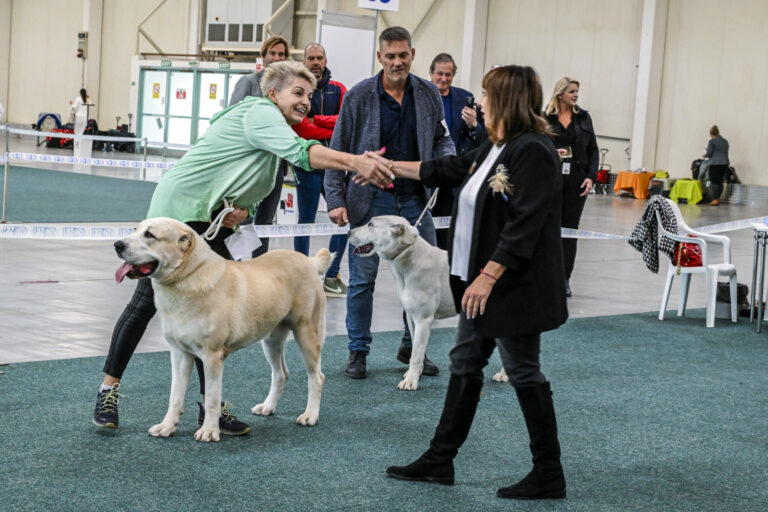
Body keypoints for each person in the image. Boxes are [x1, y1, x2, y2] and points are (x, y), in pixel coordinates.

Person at [93, 61, 394, 433]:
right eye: (298, 93)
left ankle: (210, 408)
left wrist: (242, 210)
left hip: (213, 218)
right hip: (181, 211)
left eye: (310, 95)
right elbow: (303, 153)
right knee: (143, 304)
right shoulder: (260, 113)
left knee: (210, 318)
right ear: (273, 94)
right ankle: (107, 392)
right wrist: (355, 162)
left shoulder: (274, 127)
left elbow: (251, 185)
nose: (306, 101)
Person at [376, 65, 568, 500]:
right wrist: (386, 166)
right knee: (464, 362)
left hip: (511, 288)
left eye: (485, 94)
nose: (477, 102)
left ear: (505, 99)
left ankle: (548, 472)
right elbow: (446, 168)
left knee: (522, 370)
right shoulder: (496, 145)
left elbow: (525, 223)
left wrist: (487, 276)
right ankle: (439, 459)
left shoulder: (534, 150)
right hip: (482, 287)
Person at [324, 26, 456, 380]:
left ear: (413, 54)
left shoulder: (428, 93)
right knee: (362, 280)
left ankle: (412, 348)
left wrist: (446, 163)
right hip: (370, 202)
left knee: (422, 279)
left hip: (417, 201)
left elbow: (441, 138)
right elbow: (337, 151)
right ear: (380, 57)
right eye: (391, 56)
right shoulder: (358, 96)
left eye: (403, 55)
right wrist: (335, 199)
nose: (398, 62)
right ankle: (358, 351)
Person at [291, 43, 349, 297]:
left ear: (325, 60)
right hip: (307, 165)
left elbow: (344, 123)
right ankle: (302, 278)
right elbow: (301, 127)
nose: (315, 62)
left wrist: (318, 121)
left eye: (319, 58)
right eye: (311, 58)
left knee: (343, 220)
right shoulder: (298, 91)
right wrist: (329, 127)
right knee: (305, 221)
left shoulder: (339, 89)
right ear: (304, 61)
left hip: (334, 166)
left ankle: (331, 276)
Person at [229, 35, 289, 257]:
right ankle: (235, 266)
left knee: (265, 222)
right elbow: (231, 119)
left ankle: (260, 267)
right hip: (249, 166)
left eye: (281, 54)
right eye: (272, 53)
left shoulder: (287, 88)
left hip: (275, 165)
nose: (276, 58)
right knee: (242, 218)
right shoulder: (248, 82)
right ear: (263, 56)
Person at [544, 77, 598, 298]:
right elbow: (537, 144)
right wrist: (551, 153)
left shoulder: (584, 117)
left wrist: (591, 177)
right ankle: (547, 276)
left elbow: (593, 149)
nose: (575, 95)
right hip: (552, 177)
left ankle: (565, 278)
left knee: (570, 229)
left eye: (577, 91)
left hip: (577, 178)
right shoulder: (545, 117)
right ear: (560, 94)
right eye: (571, 91)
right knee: (549, 227)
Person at [428, 52, 487, 250]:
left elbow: (480, 137)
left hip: (453, 176)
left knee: (449, 235)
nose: (444, 78)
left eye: (448, 74)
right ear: (431, 73)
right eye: (440, 74)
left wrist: (473, 125)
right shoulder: (420, 96)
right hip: (427, 173)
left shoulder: (465, 98)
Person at [703, 125, 729, 206]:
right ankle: (718, 198)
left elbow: (709, 153)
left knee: (714, 182)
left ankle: (715, 199)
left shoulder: (712, 141)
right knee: (720, 181)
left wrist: (705, 155)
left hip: (715, 164)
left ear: (711, 134)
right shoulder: (725, 141)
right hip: (724, 163)